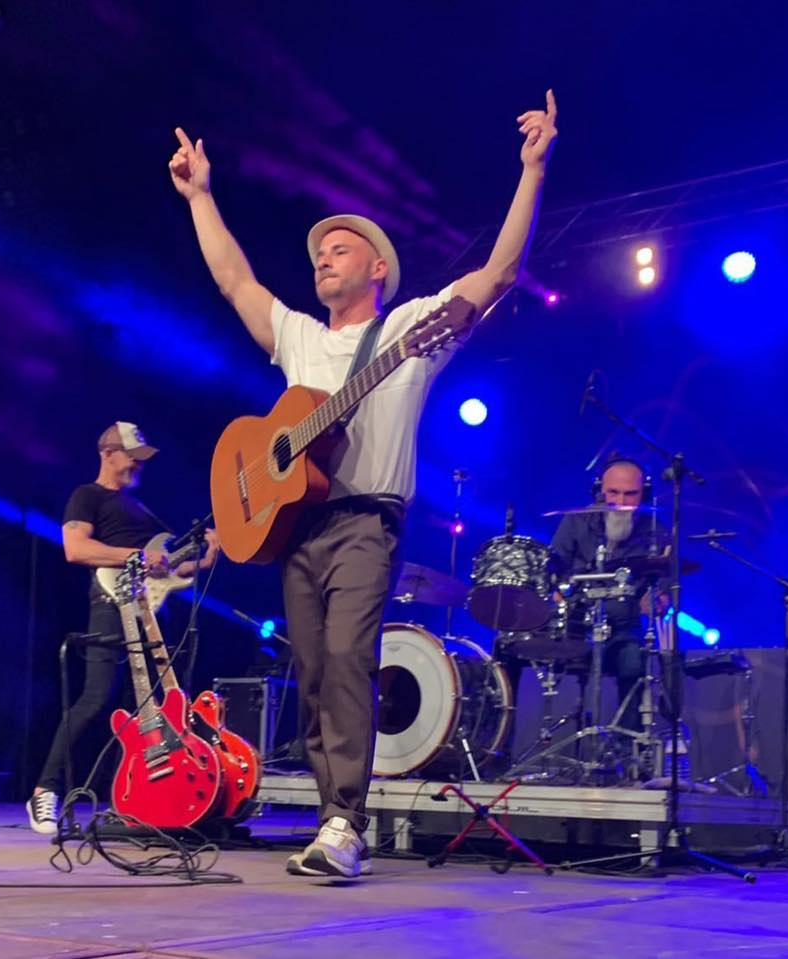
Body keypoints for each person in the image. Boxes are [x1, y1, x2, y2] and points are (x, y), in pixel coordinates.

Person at [169, 91, 558, 877]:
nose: (322, 257)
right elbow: (235, 281)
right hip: (294, 525)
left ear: (377, 268)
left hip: (364, 525)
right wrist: (201, 196)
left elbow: (499, 271)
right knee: (314, 672)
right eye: (319, 250)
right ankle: (331, 817)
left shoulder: (412, 327)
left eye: (339, 248)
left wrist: (533, 170)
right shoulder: (300, 337)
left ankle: (347, 822)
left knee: (349, 656)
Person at [26, 421, 218, 835]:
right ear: (108, 454)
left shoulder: (141, 510)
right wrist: (137, 556)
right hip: (113, 604)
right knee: (96, 698)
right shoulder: (87, 496)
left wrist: (205, 558)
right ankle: (45, 790)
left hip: (152, 611)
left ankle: (129, 803)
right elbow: (76, 548)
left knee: (143, 711)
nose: (139, 465)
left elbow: (169, 570)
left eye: (142, 459)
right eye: (133, 457)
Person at [548, 457, 668, 735]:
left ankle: (627, 747)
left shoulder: (656, 532)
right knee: (508, 648)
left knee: (635, 662)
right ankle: (499, 748)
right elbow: (552, 571)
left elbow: (665, 589)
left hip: (624, 631)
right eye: (613, 493)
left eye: (630, 494)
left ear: (644, 494)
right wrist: (557, 593)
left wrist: (658, 600)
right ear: (599, 491)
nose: (620, 502)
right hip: (576, 629)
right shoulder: (576, 522)